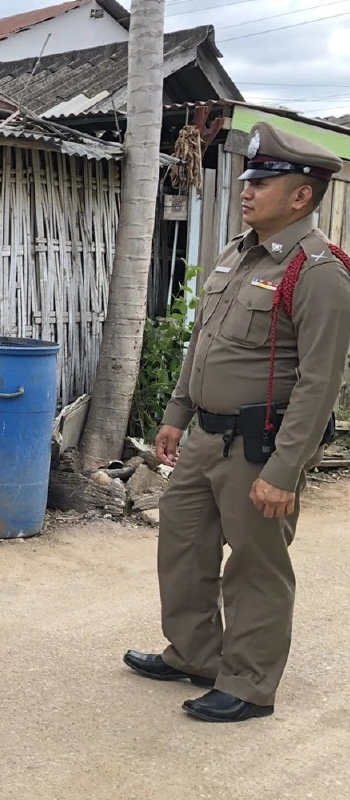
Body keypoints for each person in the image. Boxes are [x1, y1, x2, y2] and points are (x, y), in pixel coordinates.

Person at [125, 122, 350, 722]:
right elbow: (202, 344)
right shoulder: (235, 251)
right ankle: (195, 654)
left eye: (263, 182)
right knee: (182, 540)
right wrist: (176, 414)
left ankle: (249, 684)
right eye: (246, 179)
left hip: (261, 443)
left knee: (255, 563)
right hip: (206, 434)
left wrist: (285, 469)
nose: (246, 191)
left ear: (302, 195)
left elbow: (320, 383)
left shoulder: (318, 271)